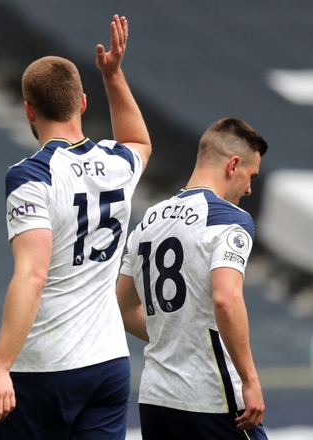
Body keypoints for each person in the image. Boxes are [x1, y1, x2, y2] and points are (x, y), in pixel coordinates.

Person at [0, 15, 151, 439]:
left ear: (29, 110)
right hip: (109, 366)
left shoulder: (31, 176)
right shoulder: (116, 163)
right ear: (83, 103)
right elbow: (140, 142)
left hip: (45, 367)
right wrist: (113, 76)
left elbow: (33, 274)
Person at [116, 117, 269, 440]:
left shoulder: (148, 222)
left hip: (156, 400)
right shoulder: (229, 219)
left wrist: (175, 335)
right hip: (211, 398)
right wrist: (250, 380)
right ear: (233, 165)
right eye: (251, 176)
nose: (250, 188)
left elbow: (122, 307)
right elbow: (226, 299)